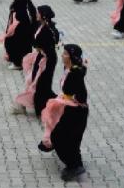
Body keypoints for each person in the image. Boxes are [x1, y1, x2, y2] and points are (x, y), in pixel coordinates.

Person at [38, 44, 89, 182]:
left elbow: (71, 92)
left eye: (65, 54)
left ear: (72, 57)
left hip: (76, 112)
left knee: (59, 137)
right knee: (70, 138)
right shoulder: (70, 69)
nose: (62, 55)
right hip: (71, 109)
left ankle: (74, 166)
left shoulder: (74, 73)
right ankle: (75, 163)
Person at [12, 5, 59, 117]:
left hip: (47, 59)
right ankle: (45, 106)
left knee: (42, 85)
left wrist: (40, 48)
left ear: (43, 15)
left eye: (38, 13)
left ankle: (47, 107)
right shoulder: (41, 25)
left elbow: (50, 44)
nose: (36, 14)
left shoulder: (48, 29)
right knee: (36, 83)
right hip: (41, 57)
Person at [4, 0, 36, 70]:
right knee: (13, 41)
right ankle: (17, 59)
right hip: (20, 24)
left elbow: (22, 13)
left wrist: (14, 26)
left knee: (16, 42)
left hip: (20, 25)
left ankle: (18, 63)